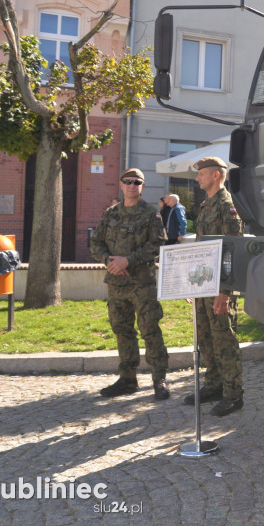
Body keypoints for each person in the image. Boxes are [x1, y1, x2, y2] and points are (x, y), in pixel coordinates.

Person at [90, 168, 171, 400]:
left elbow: (157, 244)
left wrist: (128, 260)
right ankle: (127, 379)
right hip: (116, 283)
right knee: (122, 330)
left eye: (137, 182)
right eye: (128, 181)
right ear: (121, 184)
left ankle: (159, 379)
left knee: (150, 330)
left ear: (142, 186)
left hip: (142, 284)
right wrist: (108, 261)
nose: (132, 185)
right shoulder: (110, 213)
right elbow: (96, 243)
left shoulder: (150, 214)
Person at [183, 156, 245, 417]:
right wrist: (193, 284)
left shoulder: (227, 205)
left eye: (202, 174)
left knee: (224, 340)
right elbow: (202, 249)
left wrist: (225, 291)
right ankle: (214, 385)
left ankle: (233, 394)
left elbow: (232, 251)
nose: (198, 179)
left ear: (217, 175)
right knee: (206, 339)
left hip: (219, 287)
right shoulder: (207, 204)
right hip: (204, 284)